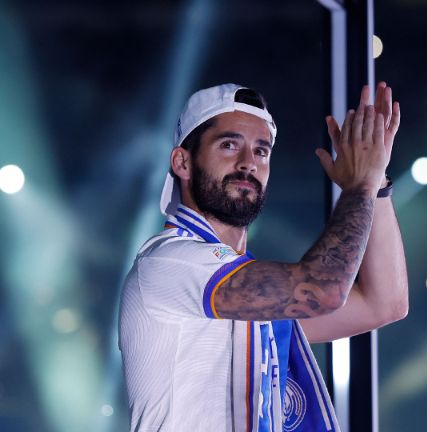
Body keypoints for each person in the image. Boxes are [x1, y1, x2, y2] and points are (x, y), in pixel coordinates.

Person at [119, 82, 408, 432]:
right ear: (183, 161)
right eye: (229, 145)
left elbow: (385, 304)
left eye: (261, 151)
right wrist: (360, 186)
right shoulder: (171, 262)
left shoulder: (241, 291)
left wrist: (376, 183)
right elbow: (322, 290)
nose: (248, 164)